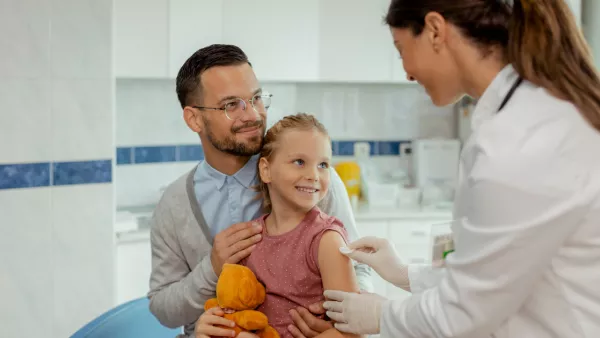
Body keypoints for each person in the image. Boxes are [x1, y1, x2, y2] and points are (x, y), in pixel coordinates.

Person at [322, 0, 600, 337]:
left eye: (401, 49)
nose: (407, 72)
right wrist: (403, 273)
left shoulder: (520, 142)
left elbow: (465, 313)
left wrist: (382, 313)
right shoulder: (531, 116)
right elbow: (495, 270)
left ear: (436, 31)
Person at [147, 44, 372, 338]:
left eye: (255, 99)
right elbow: (163, 309)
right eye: (231, 105)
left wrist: (339, 322)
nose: (252, 115)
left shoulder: (310, 182)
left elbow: (361, 273)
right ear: (195, 119)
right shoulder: (174, 204)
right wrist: (212, 268)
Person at [196, 113, 362, 338]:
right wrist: (213, 323)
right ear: (266, 170)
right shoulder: (251, 238)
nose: (314, 175)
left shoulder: (326, 240)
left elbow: (353, 332)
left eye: (323, 164)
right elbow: (237, 305)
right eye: (299, 162)